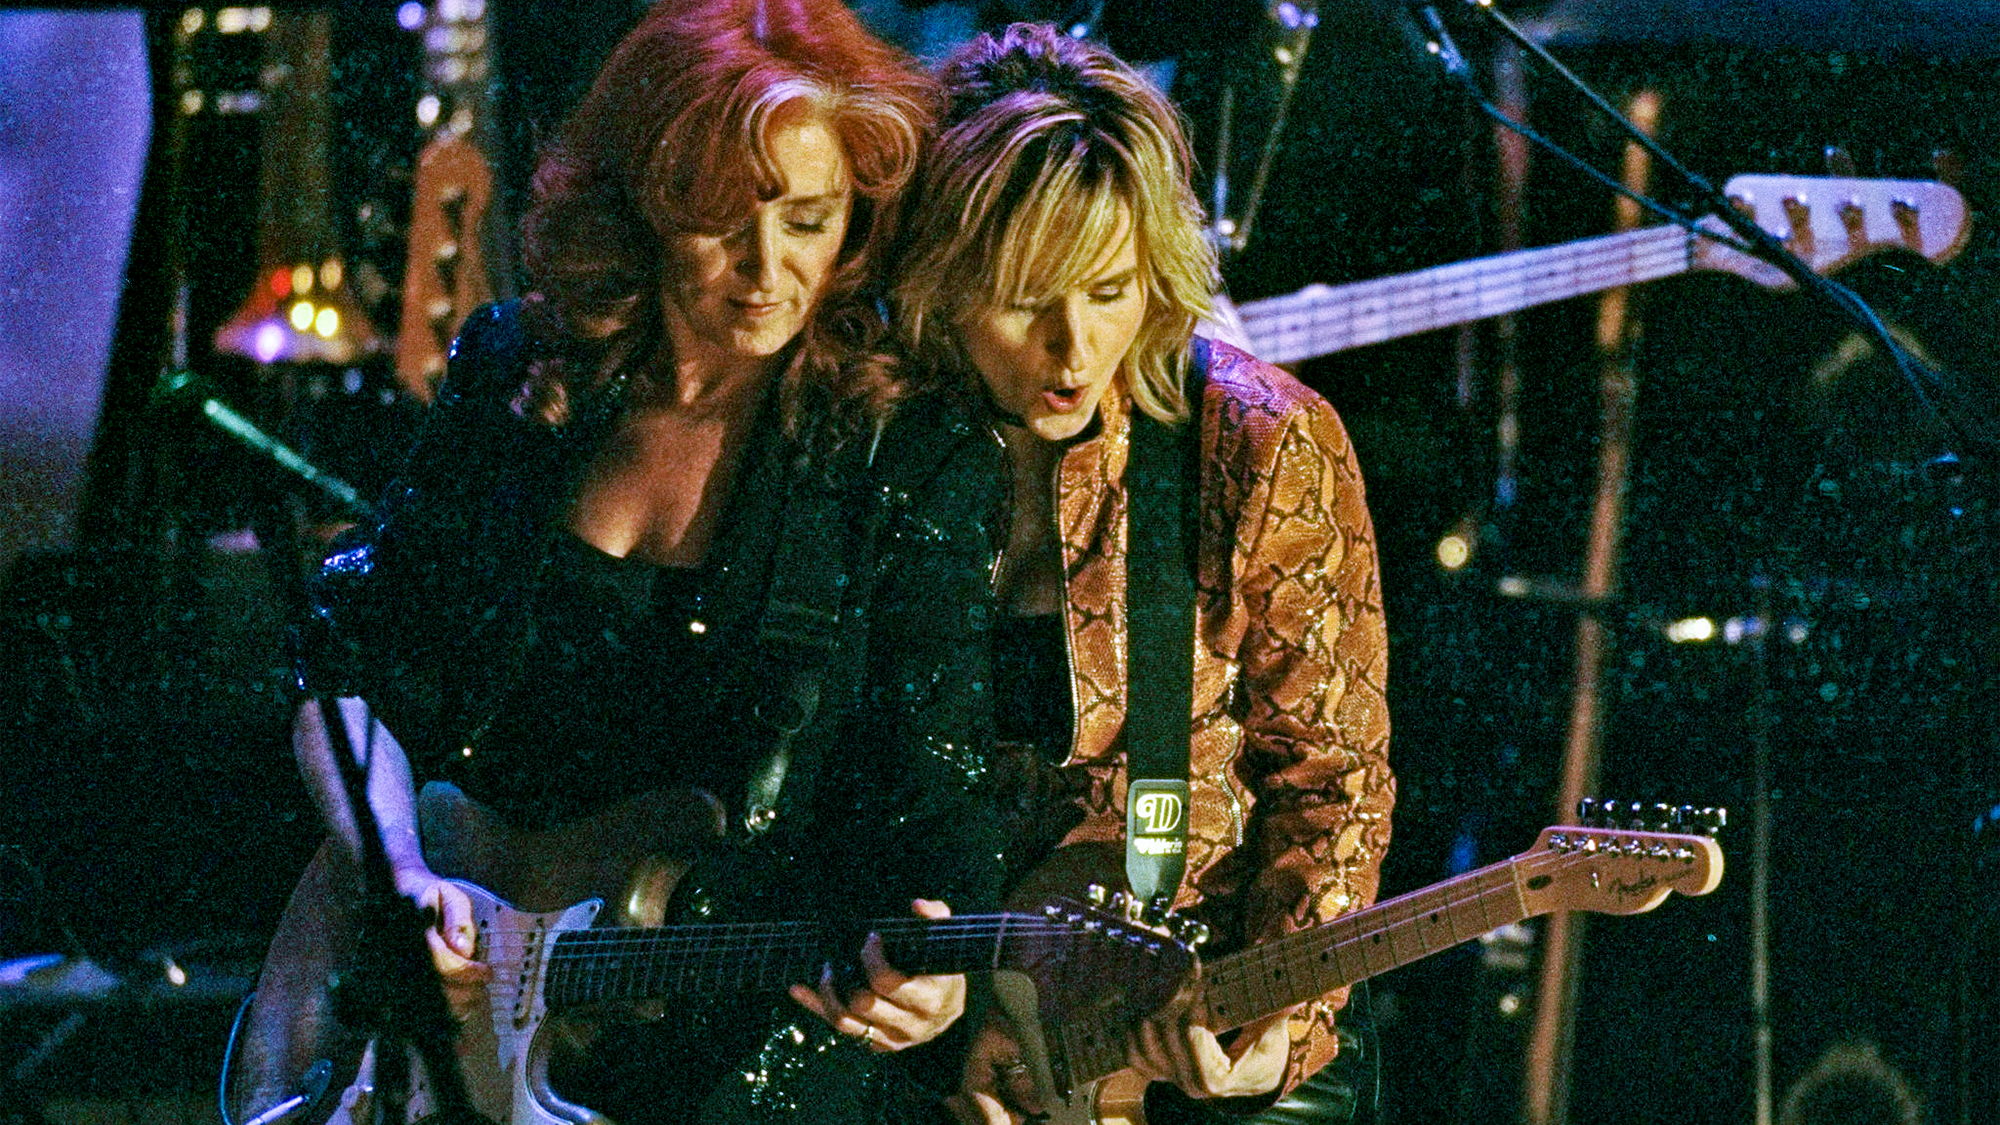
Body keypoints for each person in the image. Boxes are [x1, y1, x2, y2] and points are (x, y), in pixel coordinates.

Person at [264, 2, 1008, 1123]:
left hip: (729, 1063)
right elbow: (348, 664)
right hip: (449, 1030)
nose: (767, 269)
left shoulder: (907, 449)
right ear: (644, 208)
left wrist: (939, 981)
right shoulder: (523, 368)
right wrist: (400, 875)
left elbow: (933, 792)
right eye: (721, 222)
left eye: (808, 220)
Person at [889, 23, 1395, 1121]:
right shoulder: (891, 435)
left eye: (1109, 290)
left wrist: (1280, 1025)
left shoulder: (1258, 443)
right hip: (933, 1012)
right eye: (1026, 298)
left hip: (1175, 1020)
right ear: (942, 283)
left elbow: (1333, 784)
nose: (1074, 346)